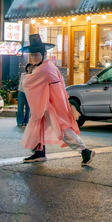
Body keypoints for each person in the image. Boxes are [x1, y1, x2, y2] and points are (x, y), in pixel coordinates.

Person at [20, 35, 95, 165]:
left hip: (51, 103)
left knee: (61, 128)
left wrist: (28, 73)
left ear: (44, 54)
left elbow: (27, 83)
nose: (33, 58)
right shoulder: (48, 65)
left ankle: (84, 150)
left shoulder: (43, 68)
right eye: (31, 55)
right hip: (50, 102)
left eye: (36, 55)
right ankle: (39, 152)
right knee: (39, 125)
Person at [17, 63, 34, 128]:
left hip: (30, 93)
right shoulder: (23, 74)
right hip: (22, 91)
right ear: (26, 68)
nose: (30, 69)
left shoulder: (34, 75)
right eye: (29, 67)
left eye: (32, 68)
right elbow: (22, 83)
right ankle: (20, 121)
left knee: (28, 108)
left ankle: (26, 122)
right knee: (20, 107)